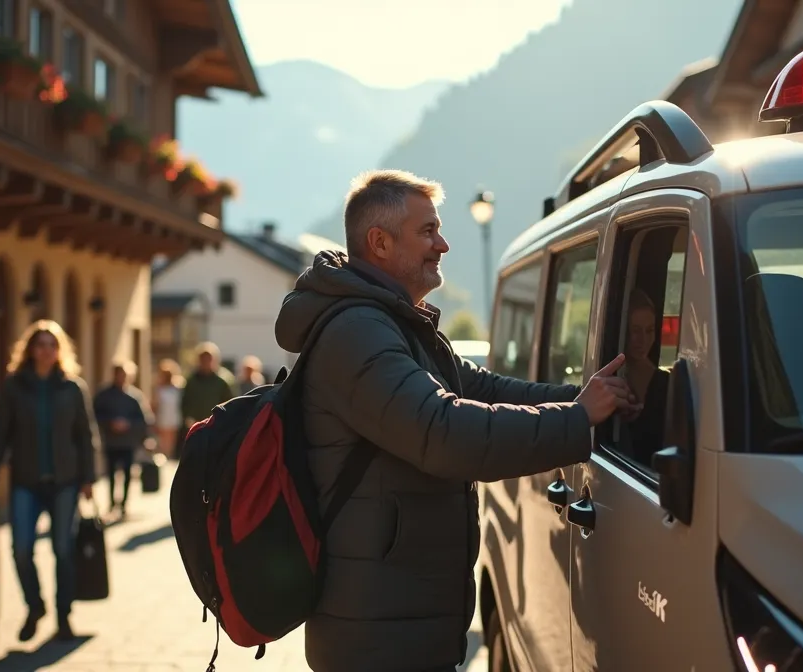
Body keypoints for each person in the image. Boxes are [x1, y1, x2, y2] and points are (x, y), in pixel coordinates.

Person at [273, 169, 638, 672]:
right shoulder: (357, 331)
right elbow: (443, 432)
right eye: (427, 231)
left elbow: (482, 389)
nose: (442, 245)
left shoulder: (392, 321)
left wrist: (588, 398)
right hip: (378, 634)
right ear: (379, 242)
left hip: (402, 616)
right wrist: (576, 419)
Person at [0, 320, 98, 642]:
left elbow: (85, 436)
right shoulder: (15, 387)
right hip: (26, 482)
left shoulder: (72, 388)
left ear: (60, 351)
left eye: (51, 345)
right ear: (29, 350)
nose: (45, 350)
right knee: (21, 549)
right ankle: (35, 605)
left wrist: (88, 478)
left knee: (62, 549)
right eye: (39, 344)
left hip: (65, 482)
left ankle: (64, 617)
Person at [92, 360, 151, 515]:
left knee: (127, 473)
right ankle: (112, 503)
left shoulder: (135, 397)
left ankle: (124, 504)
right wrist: (110, 423)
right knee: (111, 473)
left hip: (128, 442)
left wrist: (129, 425)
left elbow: (144, 419)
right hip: (111, 442)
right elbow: (94, 415)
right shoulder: (104, 395)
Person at [620, 289, 672, 461]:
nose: (643, 339)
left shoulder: (664, 384)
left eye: (649, 330)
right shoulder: (611, 378)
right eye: (635, 331)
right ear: (623, 331)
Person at [179, 342, 236, 432]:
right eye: (202, 359)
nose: (205, 362)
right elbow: (185, 401)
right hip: (196, 425)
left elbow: (231, 403)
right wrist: (187, 418)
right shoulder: (192, 380)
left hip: (217, 426)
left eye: (208, 359)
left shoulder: (223, 380)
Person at [151, 359, 185, 459]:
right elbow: (155, 405)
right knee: (162, 443)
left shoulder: (178, 389)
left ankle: (169, 458)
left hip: (174, 418)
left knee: (171, 443)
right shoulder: (159, 389)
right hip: (162, 418)